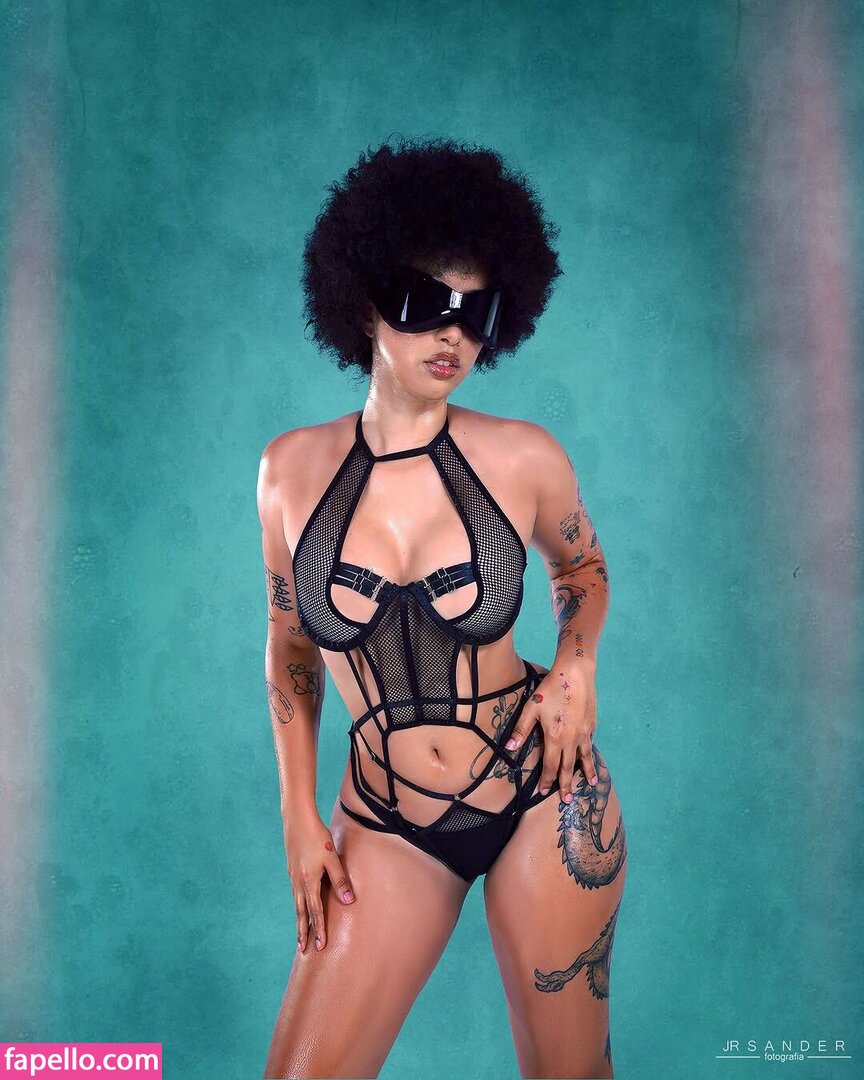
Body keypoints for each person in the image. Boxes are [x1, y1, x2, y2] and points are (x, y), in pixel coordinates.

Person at [258, 136, 628, 1080]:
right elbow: (292, 648)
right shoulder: (288, 472)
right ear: (364, 299)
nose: (452, 335)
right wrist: (298, 816)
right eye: (426, 302)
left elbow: (584, 572)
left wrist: (577, 665)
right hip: (385, 819)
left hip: (542, 792)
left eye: (476, 312)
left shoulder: (524, 457)